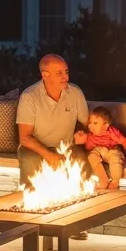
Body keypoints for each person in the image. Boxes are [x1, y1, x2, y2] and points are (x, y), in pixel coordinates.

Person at [16, 54, 90, 189]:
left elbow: (86, 125)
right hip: (34, 148)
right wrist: (49, 155)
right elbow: (25, 137)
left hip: (66, 147)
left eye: (66, 72)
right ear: (45, 75)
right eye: (59, 73)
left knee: (82, 159)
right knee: (29, 159)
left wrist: (82, 133)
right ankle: (32, 201)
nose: (65, 77)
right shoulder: (30, 97)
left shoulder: (75, 93)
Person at [76, 106, 126, 190]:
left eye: (95, 123)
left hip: (113, 150)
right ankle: (104, 180)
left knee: (115, 157)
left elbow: (125, 142)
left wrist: (124, 152)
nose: (91, 126)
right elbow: (81, 143)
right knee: (92, 156)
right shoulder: (90, 136)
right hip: (100, 152)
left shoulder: (112, 132)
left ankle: (116, 181)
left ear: (106, 125)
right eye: (90, 122)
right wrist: (79, 137)